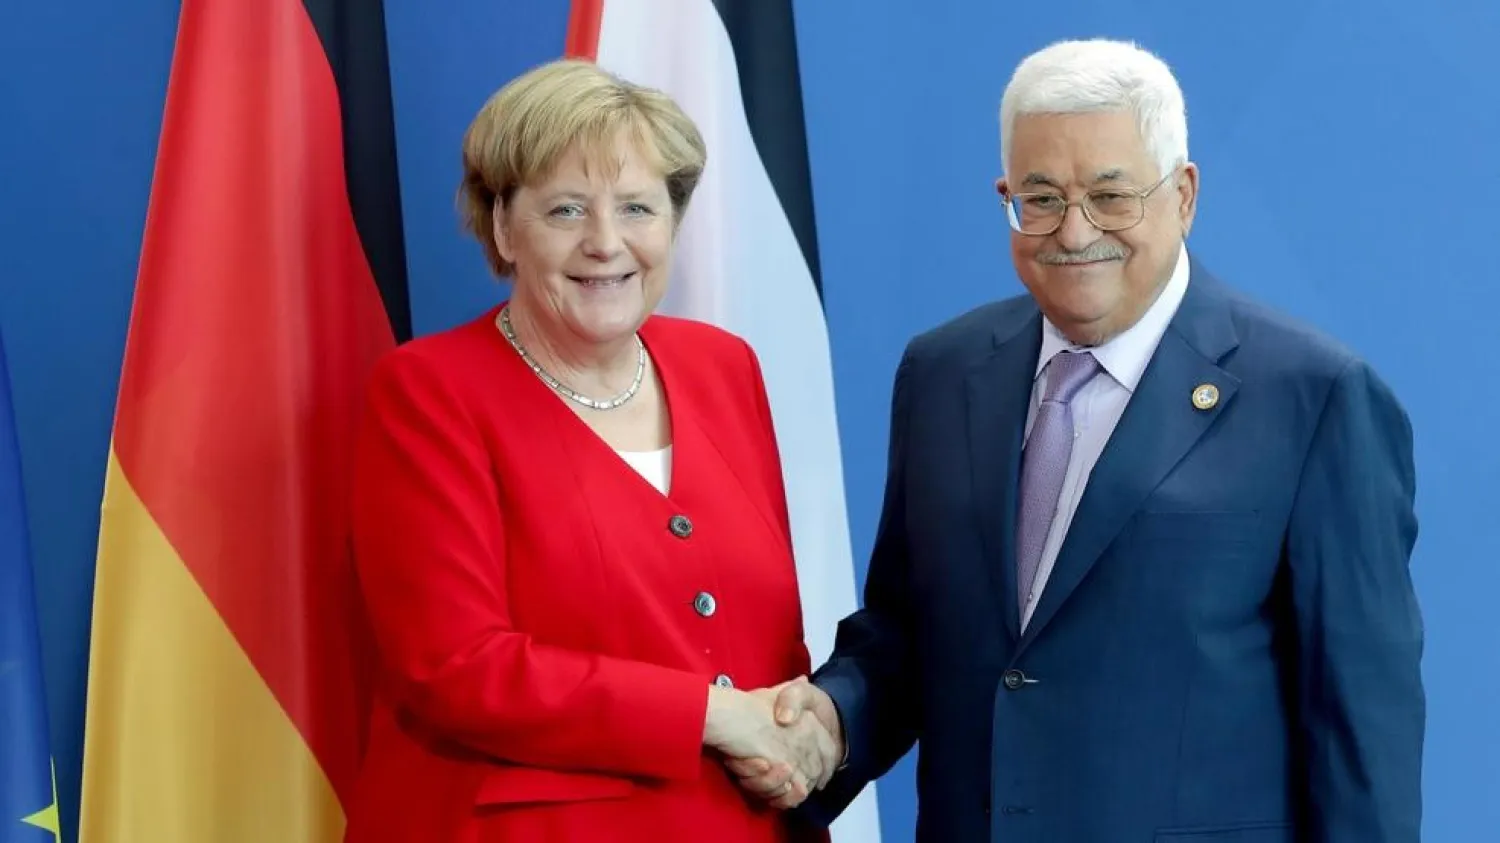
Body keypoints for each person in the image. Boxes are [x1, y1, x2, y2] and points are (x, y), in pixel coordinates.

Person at [734, 38, 1426, 842]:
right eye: (1042, 198)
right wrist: (830, 722)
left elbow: (1360, 728)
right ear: (1006, 198)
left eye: (1111, 194)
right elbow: (912, 635)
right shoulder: (943, 372)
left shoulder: (1314, 397)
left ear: (1184, 195)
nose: (1074, 230)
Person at [342, 59, 836, 843]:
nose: (607, 243)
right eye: (566, 210)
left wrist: (801, 726)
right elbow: (456, 666)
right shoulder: (429, 390)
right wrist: (710, 714)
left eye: (637, 207)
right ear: (503, 226)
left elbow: (765, 629)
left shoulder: (724, 366)